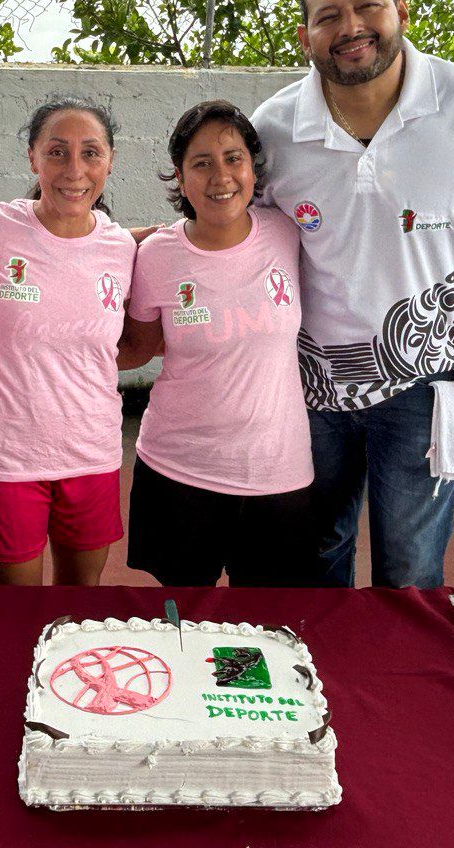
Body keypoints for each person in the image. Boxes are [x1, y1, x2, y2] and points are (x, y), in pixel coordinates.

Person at [250, 0, 454, 589]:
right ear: (305, 36)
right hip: (308, 384)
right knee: (314, 558)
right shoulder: (273, 129)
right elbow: (237, 236)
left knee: (411, 572)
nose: (351, 27)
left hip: (427, 382)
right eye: (328, 16)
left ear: (401, 12)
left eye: (368, 6)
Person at [119, 100, 317, 587]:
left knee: (267, 624)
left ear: (253, 168)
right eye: (202, 163)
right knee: (181, 621)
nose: (220, 177)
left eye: (233, 159)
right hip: (178, 471)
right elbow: (137, 348)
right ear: (180, 177)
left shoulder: (287, 232)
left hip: (278, 473)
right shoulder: (159, 255)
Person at [0, 99, 136, 584]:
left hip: (91, 451)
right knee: (18, 610)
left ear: (110, 161)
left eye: (91, 153)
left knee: (80, 606)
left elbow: (135, 341)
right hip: (8, 455)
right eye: (57, 152)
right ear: (32, 158)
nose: (74, 170)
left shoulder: (123, 248)